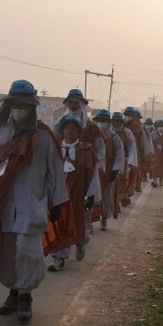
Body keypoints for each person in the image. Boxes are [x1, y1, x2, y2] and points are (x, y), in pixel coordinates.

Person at [0, 80, 68, 323]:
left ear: (32, 108)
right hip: (3, 204)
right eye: (14, 105)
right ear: (8, 106)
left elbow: (55, 170)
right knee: (6, 251)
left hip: (32, 203)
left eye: (23, 105)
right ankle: (13, 293)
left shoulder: (43, 135)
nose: (18, 110)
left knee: (28, 252)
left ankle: (26, 296)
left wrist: (57, 202)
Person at [47, 115, 101, 271]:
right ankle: (58, 258)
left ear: (79, 132)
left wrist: (91, 195)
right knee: (59, 223)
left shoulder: (86, 150)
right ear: (62, 131)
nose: (69, 131)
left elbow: (94, 174)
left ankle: (80, 242)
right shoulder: (56, 149)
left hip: (78, 193)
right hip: (59, 194)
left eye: (73, 129)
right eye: (67, 128)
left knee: (78, 222)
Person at [53, 89, 105, 237]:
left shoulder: (90, 126)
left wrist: (98, 164)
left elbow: (100, 147)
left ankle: (82, 235)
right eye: (71, 102)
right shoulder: (58, 123)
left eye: (77, 102)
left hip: (84, 166)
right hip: (62, 171)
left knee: (81, 206)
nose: (74, 105)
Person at [93, 109, 124, 229]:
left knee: (106, 194)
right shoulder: (92, 134)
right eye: (100, 120)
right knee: (92, 194)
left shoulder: (114, 137)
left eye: (104, 121)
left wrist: (116, 170)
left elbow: (119, 154)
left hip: (108, 170)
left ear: (108, 122)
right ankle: (90, 221)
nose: (102, 123)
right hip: (94, 170)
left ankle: (104, 217)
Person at [112, 110, 136, 206]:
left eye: (118, 121)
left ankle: (118, 200)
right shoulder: (108, 132)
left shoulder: (127, 133)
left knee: (121, 182)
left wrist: (130, 162)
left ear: (122, 122)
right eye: (115, 121)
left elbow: (132, 149)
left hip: (123, 161)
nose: (116, 123)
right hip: (110, 161)